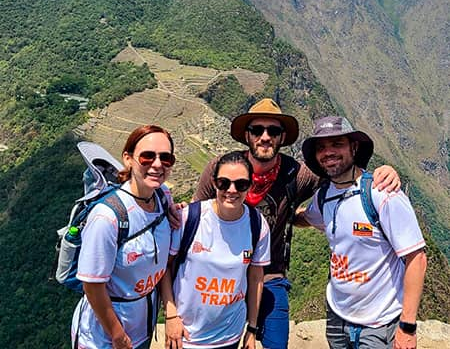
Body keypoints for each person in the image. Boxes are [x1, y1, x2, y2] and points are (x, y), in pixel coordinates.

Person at [190, 98, 400, 349]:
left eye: (273, 131)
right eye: (257, 130)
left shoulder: (296, 175)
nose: (265, 137)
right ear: (247, 135)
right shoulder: (222, 170)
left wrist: (380, 173)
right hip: (220, 281)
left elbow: (342, 176)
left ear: (282, 137)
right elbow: (196, 216)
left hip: (269, 279)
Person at [296, 115, 427, 349]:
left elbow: (416, 258)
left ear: (354, 147)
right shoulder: (323, 196)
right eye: (321, 147)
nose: (328, 152)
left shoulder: (381, 193)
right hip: (337, 315)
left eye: (337, 144)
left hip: (379, 323)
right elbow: (307, 217)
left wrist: (407, 326)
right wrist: (278, 218)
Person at [71, 124, 176, 349]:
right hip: (104, 337)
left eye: (165, 158)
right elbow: (92, 286)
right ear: (128, 159)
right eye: (147, 156)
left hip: (142, 327)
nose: (157, 164)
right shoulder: (107, 218)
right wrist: (117, 334)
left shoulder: (163, 197)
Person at [161, 151, 271, 349]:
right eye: (224, 183)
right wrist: (170, 315)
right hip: (186, 335)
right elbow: (164, 268)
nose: (231, 190)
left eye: (241, 184)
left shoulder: (257, 224)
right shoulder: (189, 218)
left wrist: (252, 330)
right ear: (213, 183)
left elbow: (256, 278)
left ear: (249, 186)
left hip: (230, 336)